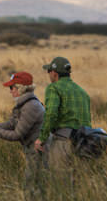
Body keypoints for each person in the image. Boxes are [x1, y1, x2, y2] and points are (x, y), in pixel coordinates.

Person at [0, 71, 45, 197]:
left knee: (32, 186)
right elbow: (11, 124)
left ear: (20, 88)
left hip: (38, 152)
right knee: (32, 185)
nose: (10, 91)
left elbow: (17, 135)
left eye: (12, 87)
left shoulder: (30, 106)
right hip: (32, 150)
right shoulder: (24, 104)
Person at [33, 56, 91, 184]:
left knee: (59, 183)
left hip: (63, 141)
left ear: (54, 73)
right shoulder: (82, 92)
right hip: (85, 143)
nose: (48, 74)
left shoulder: (54, 88)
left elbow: (51, 114)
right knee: (79, 183)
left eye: (49, 72)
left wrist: (42, 138)